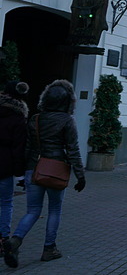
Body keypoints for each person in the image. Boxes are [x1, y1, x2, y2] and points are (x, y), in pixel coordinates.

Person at [4, 80, 86, 267]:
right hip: (56, 170)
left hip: (34, 169)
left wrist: (23, 173)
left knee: (32, 210)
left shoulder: (35, 119)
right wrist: (80, 176)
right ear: (68, 102)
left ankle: (15, 240)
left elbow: (27, 148)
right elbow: (72, 149)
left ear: (46, 99)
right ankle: (49, 248)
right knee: (55, 209)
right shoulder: (67, 120)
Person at [0, 81, 29, 256]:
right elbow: (19, 148)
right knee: (5, 203)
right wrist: (20, 174)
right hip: (5, 166)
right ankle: (4, 240)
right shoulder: (18, 118)